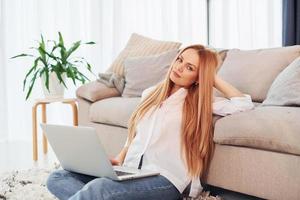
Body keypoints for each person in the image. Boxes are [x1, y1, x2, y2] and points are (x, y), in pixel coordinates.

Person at [46, 45, 254, 200]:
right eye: (180, 60)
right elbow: (136, 135)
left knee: (100, 188)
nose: (179, 68)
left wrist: (211, 77)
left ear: (199, 77)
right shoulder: (150, 94)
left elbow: (243, 104)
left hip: (166, 180)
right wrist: (120, 158)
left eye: (189, 67)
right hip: (132, 171)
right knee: (58, 177)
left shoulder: (201, 103)